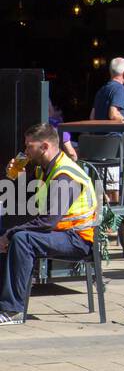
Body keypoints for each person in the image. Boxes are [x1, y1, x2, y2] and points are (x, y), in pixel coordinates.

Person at [0, 124, 99, 325]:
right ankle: (5, 302)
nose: (25, 151)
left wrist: (10, 234)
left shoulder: (65, 175)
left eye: (29, 146)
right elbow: (29, 200)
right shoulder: (43, 168)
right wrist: (18, 179)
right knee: (7, 234)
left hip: (78, 239)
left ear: (44, 146)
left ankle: (13, 310)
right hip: (59, 233)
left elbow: (47, 221)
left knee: (21, 239)